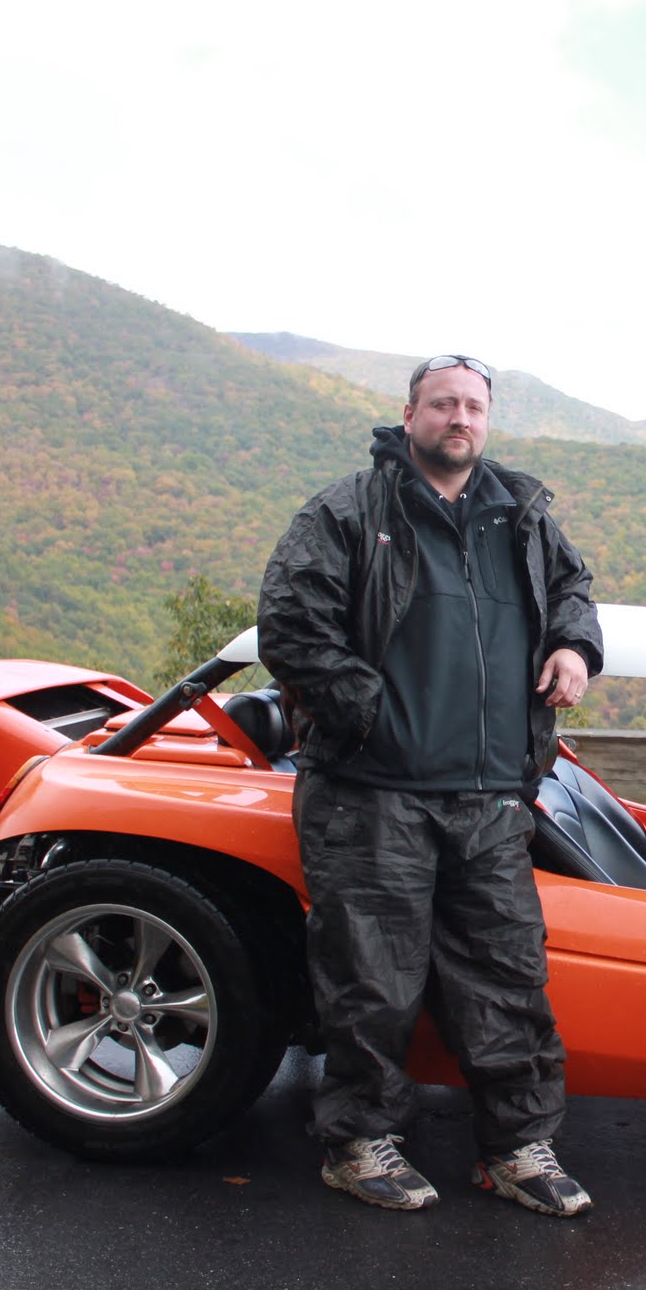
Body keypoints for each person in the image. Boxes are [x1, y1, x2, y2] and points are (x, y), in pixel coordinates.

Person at [257, 353, 602, 1217]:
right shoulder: (349, 511)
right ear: (409, 415)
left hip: (490, 798)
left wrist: (573, 646)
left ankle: (516, 1148)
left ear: (487, 420)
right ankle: (357, 1143)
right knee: (371, 982)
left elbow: (573, 589)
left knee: (507, 978)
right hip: (372, 794)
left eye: (473, 406)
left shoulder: (520, 514)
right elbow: (291, 625)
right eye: (443, 403)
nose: (460, 419)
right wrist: (375, 717)